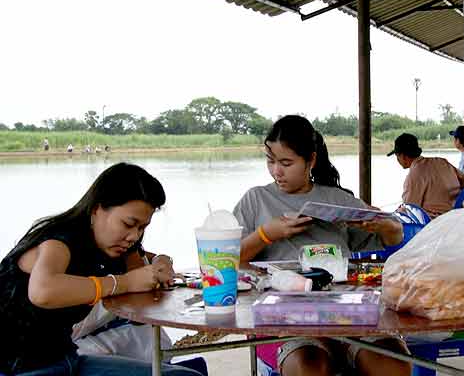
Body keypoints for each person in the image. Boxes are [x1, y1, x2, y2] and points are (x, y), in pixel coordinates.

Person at [233, 115, 410, 376]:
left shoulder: (337, 199)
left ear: (311, 160)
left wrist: (389, 227)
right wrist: (266, 234)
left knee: (392, 364)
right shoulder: (256, 200)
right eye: (271, 162)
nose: (276, 171)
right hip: (285, 320)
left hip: (351, 314)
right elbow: (226, 260)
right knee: (310, 368)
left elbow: (391, 239)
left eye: (286, 163)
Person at [0, 162, 205, 376]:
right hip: (18, 369)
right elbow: (43, 292)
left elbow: (141, 274)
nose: (134, 235)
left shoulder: (114, 245)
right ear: (97, 209)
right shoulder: (58, 241)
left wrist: (161, 261)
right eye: (128, 224)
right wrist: (124, 283)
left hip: (67, 360)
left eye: (142, 228)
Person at [388, 133, 464, 219]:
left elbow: (410, 210)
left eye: (397, 156)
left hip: (434, 224)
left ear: (403, 156)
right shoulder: (441, 162)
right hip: (456, 216)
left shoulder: (413, 176)